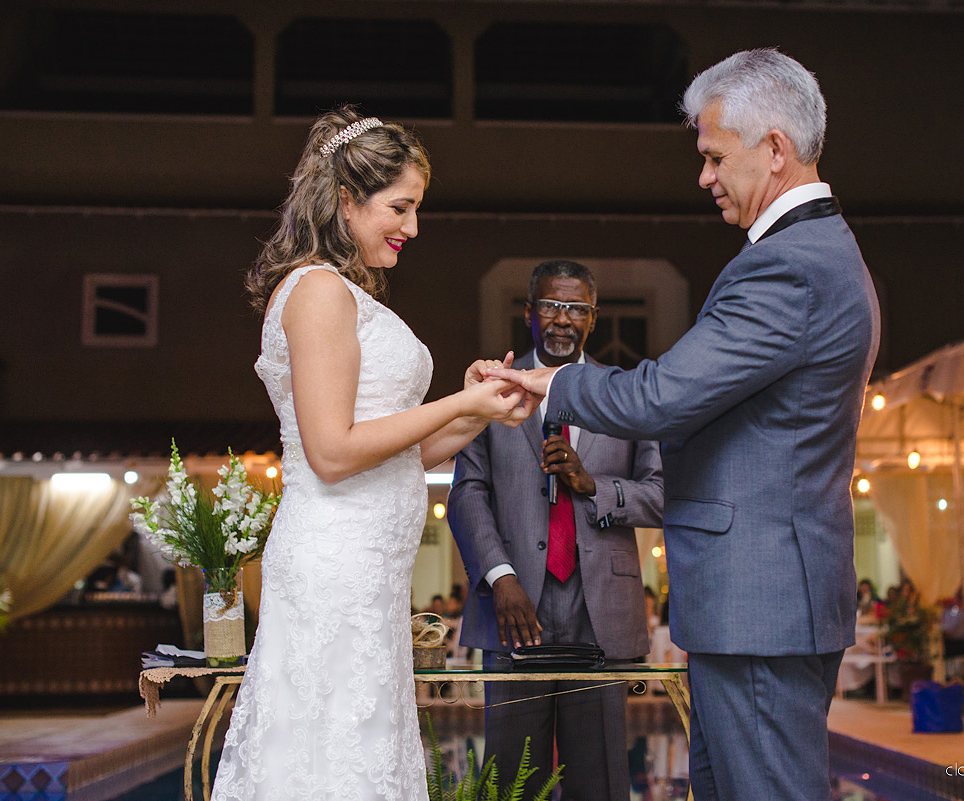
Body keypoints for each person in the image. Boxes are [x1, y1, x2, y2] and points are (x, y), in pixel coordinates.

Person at [487, 49, 879, 801]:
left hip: (758, 610)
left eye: (713, 155)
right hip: (764, 604)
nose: (703, 176)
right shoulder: (824, 253)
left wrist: (552, 383)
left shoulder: (787, 267)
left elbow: (661, 397)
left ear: (774, 148)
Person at [211, 108, 532, 801]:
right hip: (335, 565)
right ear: (347, 202)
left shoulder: (344, 292)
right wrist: (457, 403)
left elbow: (399, 452)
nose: (412, 227)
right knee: (325, 759)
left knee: (360, 754)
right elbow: (331, 452)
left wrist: (479, 409)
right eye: (401, 207)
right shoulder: (319, 292)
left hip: (369, 572)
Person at [448, 259, 664, 801]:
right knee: (513, 782)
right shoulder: (491, 390)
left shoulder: (626, 393)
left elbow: (661, 495)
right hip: (513, 611)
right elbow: (467, 492)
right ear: (529, 314)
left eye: (576, 309)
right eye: (550, 305)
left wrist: (594, 485)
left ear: (593, 319)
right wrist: (500, 577)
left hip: (601, 613)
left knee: (600, 782)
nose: (562, 319)